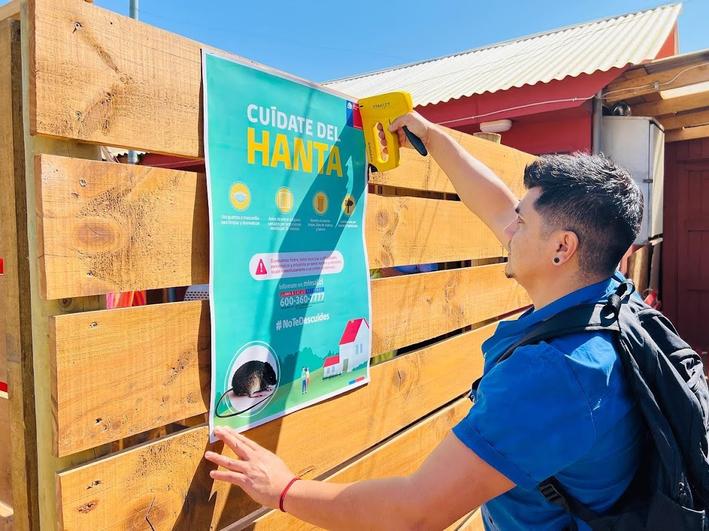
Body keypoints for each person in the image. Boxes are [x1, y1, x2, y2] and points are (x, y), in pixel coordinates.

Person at [205, 112, 645, 530]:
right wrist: (432, 137)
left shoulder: (555, 374)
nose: (508, 228)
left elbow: (414, 515)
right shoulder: (607, 296)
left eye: (522, 221)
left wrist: (284, 490)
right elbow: (495, 205)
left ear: (562, 248)